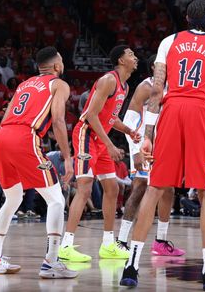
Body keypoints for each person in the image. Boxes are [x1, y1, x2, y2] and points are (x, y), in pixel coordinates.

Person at [120, 0, 205, 290]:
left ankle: (132, 265)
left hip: (171, 111)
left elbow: (157, 90)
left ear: (187, 18)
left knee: (154, 188)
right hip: (201, 113)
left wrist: (148, 134)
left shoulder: (169, 41)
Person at [0, 47, 77, 278]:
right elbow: (58, 120)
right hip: (25, 138)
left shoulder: (24, 84)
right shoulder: (59, 84)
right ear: (56, 66)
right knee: (56, 200)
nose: (63, 64)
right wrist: (67, 156)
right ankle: (51, 263)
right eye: (62, 60)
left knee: (13, 198)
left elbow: (5, 117)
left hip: (3, 136)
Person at [60, 46, 140, 263]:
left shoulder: (125, 86)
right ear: (121, 60)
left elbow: (110, 118)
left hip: (101, 138)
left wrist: (129, 131)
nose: (135, 57)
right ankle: (65, 246)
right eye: (131, 54)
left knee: (112, 188)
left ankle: (107, 244)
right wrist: (111, 145)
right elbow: (92, 116)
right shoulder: (108, 80)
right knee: (84, 188)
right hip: (86, 134)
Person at [119, 55, 184, 256]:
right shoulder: (146, 87)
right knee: (139, 189)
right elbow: (129, 119)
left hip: (164, 145)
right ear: (156, 66)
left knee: (169, 191)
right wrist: (136, 150)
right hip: (144, 145)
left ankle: (161, 241)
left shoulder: (174, 87)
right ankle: (121, 241)